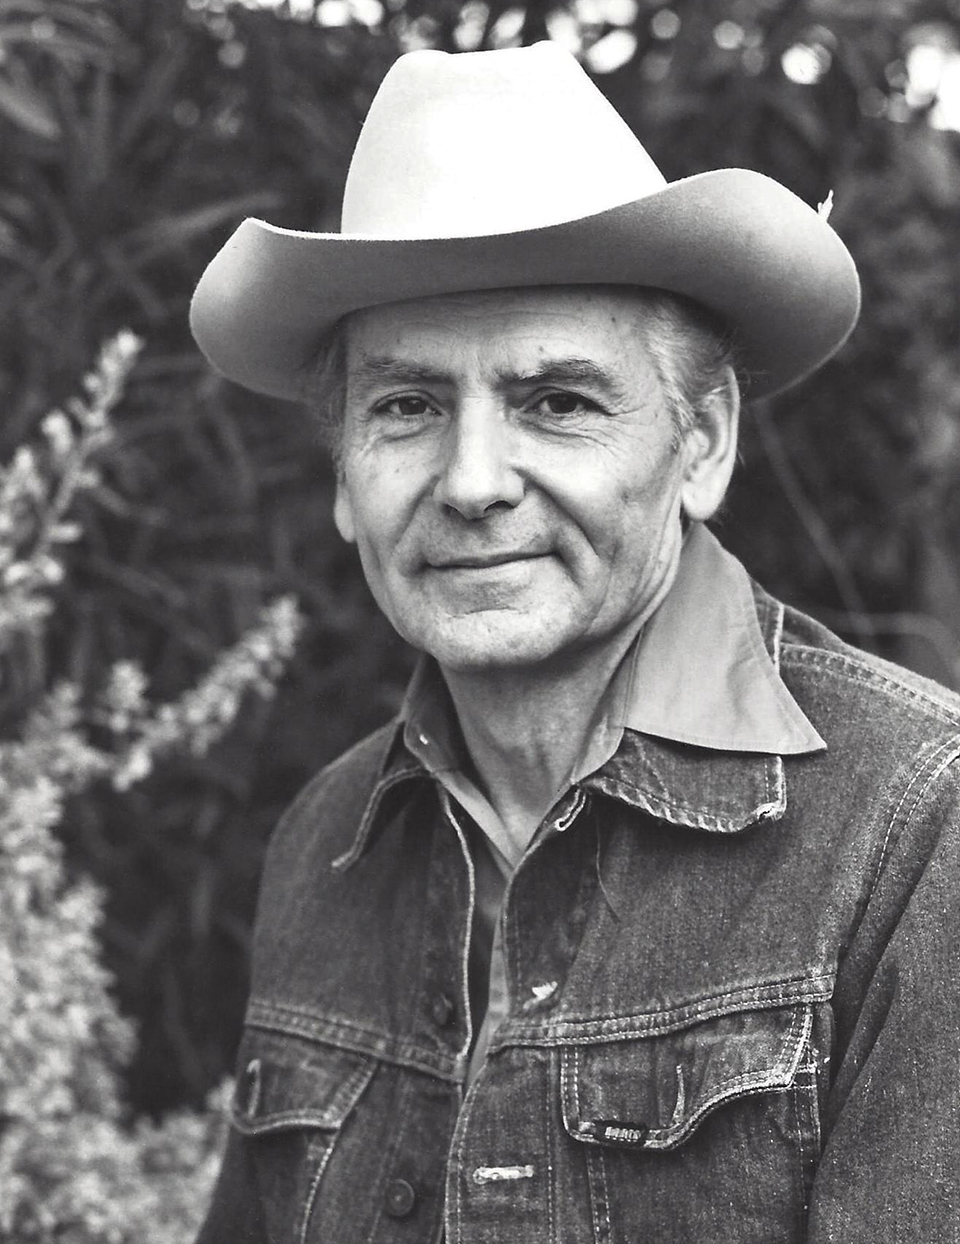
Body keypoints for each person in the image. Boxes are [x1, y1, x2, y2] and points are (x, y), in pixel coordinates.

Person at [189, 41, 959, 1244]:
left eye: (557, 400)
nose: (473, 480)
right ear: (344, 473)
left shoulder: (917, 829)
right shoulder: (322, 848)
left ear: (701, 445)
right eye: (407, 405)